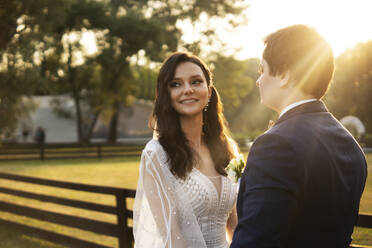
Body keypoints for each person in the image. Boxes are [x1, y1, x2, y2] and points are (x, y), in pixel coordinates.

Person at [231, 24, 367, 248]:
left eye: (262, 70)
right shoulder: (350, 145)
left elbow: (255, 241)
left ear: (284, 75)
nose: (259, 80)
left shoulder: (276, 145)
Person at [133, 52, 239, 248]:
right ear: (167, 96)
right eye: (176, 84)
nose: (187, 90)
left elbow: (234, 224)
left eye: (196, 81)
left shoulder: (226, 149)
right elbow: (172, 236)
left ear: (208, 91)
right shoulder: (156, 154)